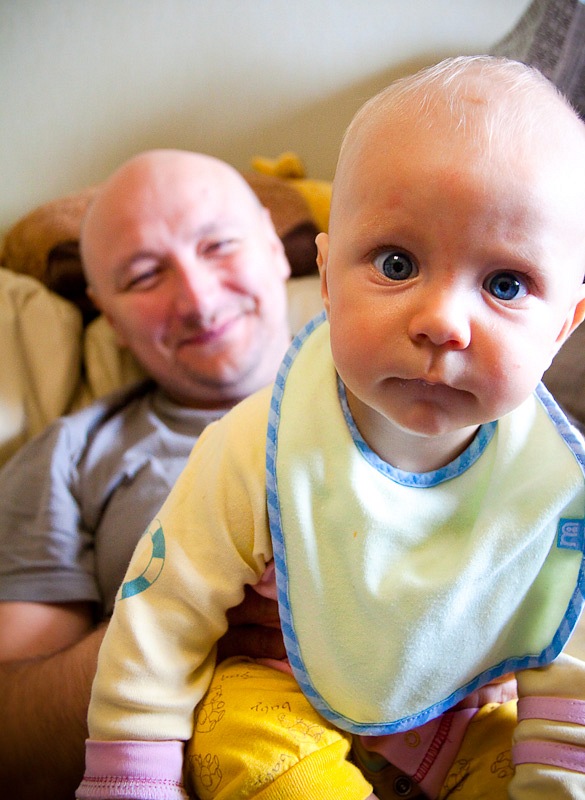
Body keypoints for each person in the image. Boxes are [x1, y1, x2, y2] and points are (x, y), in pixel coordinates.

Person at [76, 55, 585, 800]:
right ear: (323, 275)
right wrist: (127, 778)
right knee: (245, 738)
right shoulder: (258, 444)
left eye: (505, 283)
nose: (442, 321)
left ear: (564, 325)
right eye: (396, 263)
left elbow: (569, 675)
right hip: (276, 696)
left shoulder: (555, 482)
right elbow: (163, 611)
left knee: (510, 754)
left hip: (459, 715)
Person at [0, 149, 293, 800]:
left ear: (275, 248)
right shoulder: (68, 457)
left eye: (218, 245)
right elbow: (10, 748)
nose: (198, 298)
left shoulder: (421, 379)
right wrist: (172, 624)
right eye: (143, 276)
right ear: (109, 317)